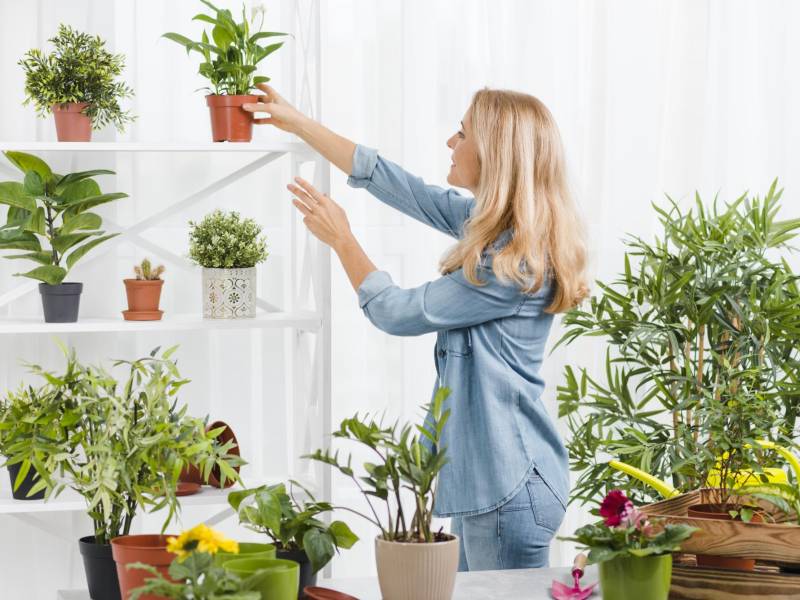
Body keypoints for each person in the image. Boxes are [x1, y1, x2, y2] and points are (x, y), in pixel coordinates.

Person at [244, 85, 588, 571]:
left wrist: (342, 239)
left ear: (494, 153)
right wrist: (298, 122)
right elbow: (398, 184)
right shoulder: (496, 231)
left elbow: (398, 312)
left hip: (510, 487)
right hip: (496, 482)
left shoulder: (513, 267)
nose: (451, 141)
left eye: (462, 133)